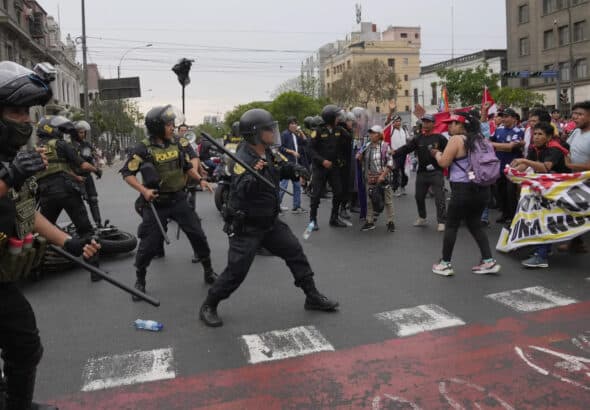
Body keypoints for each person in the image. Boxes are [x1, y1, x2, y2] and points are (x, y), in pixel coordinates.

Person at [0, 61, 100, 410]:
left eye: (27, 111)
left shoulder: (13, 157)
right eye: (16, 111)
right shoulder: (12, 165)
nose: (26, 120)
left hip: (2, 276)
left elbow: (26, 211)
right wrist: (9, 175)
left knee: (25, 345)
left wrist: (67, 241)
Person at [199, 109, 338, 327]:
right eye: (267, 129)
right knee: (236, 271)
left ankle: (312, 296)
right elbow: (242, 189)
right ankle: (209, 304)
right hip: (246, 225)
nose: (273, 132)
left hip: (270, 221)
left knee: (295, 252)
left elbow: (282, 168)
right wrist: (253, 174)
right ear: (255, 133)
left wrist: (298, 171)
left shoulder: (269, 152)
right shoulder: (240, 159)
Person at [120, 105, 218, 301]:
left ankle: (208, 271)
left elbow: (188, 166)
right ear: (157, 127)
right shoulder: (142, 148)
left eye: (173, 123)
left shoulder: (179, 142)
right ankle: (140, 279)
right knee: (149, 243)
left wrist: (200, 179)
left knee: (197, 234)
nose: (172, 127)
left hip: (179, 199)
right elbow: (127, 174)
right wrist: (144, 191)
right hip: (156, 203)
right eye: (168, 124)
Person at [430, 113, 501, 276]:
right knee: (475, 224)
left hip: (462, 189)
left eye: (452, 123)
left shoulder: (456, 140)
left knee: (452, 225)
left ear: (462, 125)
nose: (449, 126)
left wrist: (436, 154)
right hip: (483, 188)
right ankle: (488, 261)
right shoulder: (481, 140)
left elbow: (444, 162)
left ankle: (445, 264)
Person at [511, 122, 571, 268]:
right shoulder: (535, 148)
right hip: (546, 189)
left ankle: (541, 256)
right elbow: (526, 166)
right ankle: (544, 250)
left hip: (560, 189)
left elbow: (545, 167)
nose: (536, 137)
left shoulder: (555, 150)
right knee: (543, 219)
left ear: (549, 137)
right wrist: (512, 171)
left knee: (544, 220)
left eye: (540, 134)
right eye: (535, 134)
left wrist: (524, 160)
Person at [35, 116, 99, 239]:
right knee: (85, 229)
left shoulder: (36, 148)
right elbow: (83, 165)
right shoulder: (60, 144)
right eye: (60, 129)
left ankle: (42, 256)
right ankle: (91, 254)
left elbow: (59, 168)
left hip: (46, 194)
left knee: (45, 230)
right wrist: (97, 170)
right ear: (50, 129)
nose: (61, 132)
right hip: (66, 191)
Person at [393, 114, 447, 232]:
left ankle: (442, 221)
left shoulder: (440, 138)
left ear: (433, 124)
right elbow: (407, 148)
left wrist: (441, 154)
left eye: (428, 122)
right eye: (424, 122)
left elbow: (448, 151)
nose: (425, 124)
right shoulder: (418, 138)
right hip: (422, 173)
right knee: (419, 197)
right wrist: (394, 152)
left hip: (436, 172)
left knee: (439, 198)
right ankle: (422, 217)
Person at [308, 105, 348, 229]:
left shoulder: (339, 129)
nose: (338, 118)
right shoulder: (318, 131)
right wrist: (322, 160)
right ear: (330, 117)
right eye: (336, 116)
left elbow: (350, 138)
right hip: (320, 168)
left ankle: (334, 218)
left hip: (333, 167)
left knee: (339, 192)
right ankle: (312, 220)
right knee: (316, 196)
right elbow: (310, 149)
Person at [562, 100, 590, 253]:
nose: (574, 117)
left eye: (580, 114)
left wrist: (570, 166)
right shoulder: (576, 132)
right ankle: (576, 242)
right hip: (576, 180)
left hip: (587, 181)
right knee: (573, 211)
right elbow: (567, 150)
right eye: (574, 114)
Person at [357, 125, 395, 232]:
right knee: (369, 201)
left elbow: (390, 163)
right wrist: (359, 158)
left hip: (384, 177)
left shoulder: (385, 146)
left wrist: (383, 176)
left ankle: (390, 222)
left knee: (388, 201)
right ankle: (370, 221)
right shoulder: (366, 146)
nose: (371, 135)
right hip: (370, 177)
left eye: (373, 133)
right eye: (370, 133)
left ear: (379, 135)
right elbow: (363, 162)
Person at [490, 108, 524, 225]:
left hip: (513, 168)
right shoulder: (498, 130)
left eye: (506, 116)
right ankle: (505, 214)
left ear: (514, 118)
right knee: (501, 192)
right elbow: (489, 141)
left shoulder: (518, 131)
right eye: (502, 116)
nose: (503, 119)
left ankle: (514, 216)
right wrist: (497, 145)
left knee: (511, 193)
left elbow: (510, 147)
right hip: (499, 166)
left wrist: (494, 145)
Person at [72, 120, 103, 227]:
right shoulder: (70, 146)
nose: (82, 134)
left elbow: (91, 160)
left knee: (93, 199)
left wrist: (97, 168)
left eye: (84, 132)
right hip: (76, 177)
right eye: (80, 132)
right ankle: (83, 226)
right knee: (78, 203)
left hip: (87, 176)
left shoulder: (87, 145)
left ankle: (98, 223)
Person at [278, 116, 308, 214]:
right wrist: (291, 151)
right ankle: (276, 206)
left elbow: (305, 141)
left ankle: (296, 206)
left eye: (295, 123)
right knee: (283, 186)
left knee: (297, 185)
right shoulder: (285, 134)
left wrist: (301, 132)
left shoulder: (295, 135)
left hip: (295, 165)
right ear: (288, 125)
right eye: (292, 123)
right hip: (287, 164)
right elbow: (280, 148)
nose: (294, 125)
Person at [386, 115, 409, 196]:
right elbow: (386, 140)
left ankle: (403, 186)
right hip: (395, 154)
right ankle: (395, 189)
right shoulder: (391, 129)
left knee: (404, 172)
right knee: (395, 172)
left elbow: (407, 140)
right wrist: (389, 149)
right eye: (396, 121)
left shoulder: (404, 129)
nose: (398, 123)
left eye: (399, 121)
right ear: (393, 122)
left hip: (404, 154)